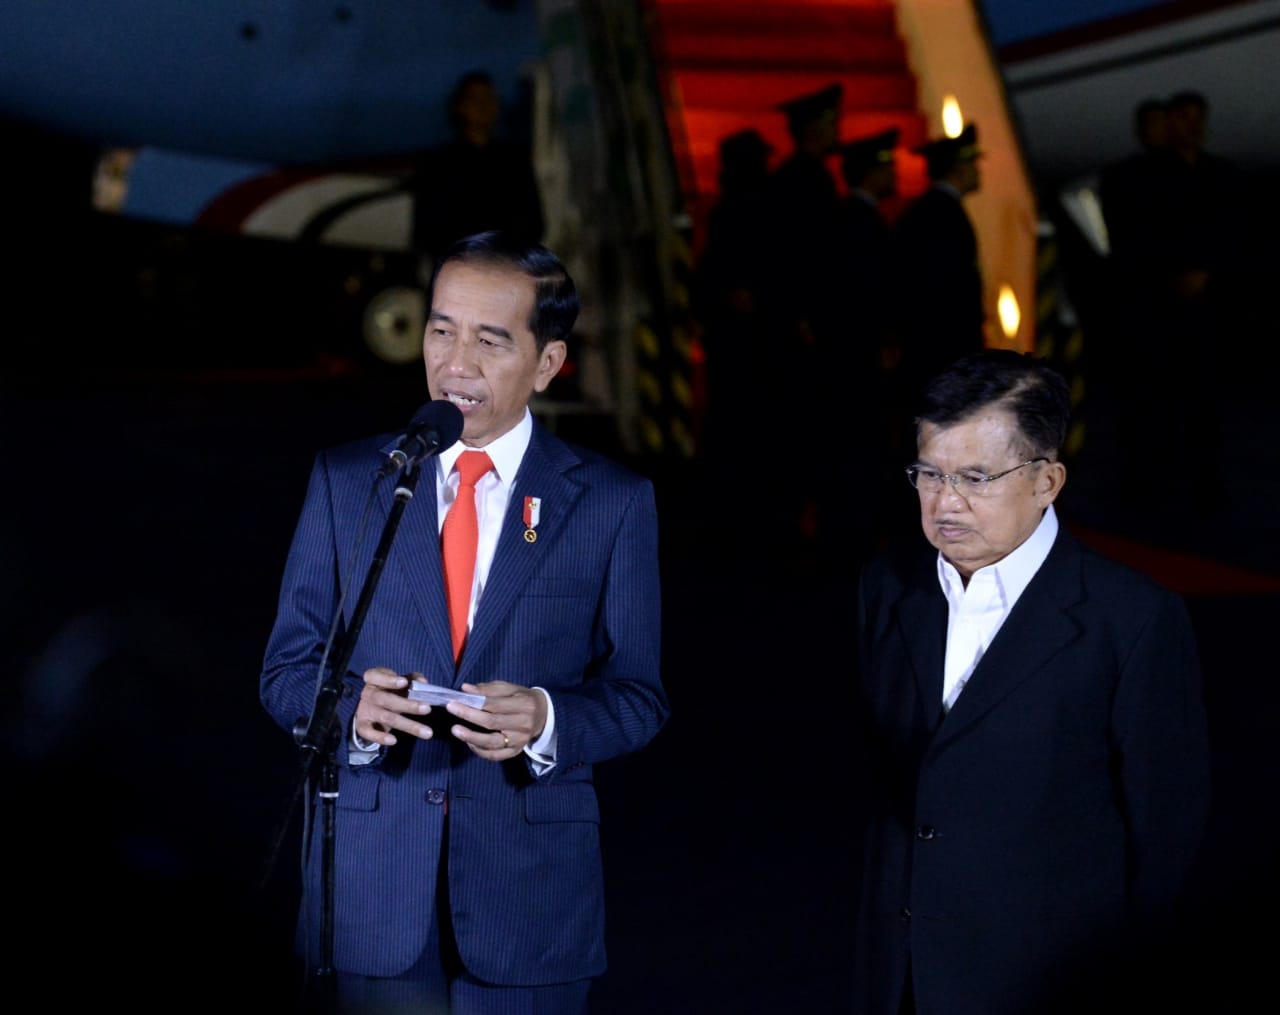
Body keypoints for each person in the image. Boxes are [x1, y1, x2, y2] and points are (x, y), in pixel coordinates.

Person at [259, 231, 669, 1014]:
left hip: (530, 900)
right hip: (370, 893)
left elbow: (640, 695)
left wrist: (549, 718)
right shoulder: (351, 481)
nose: (455, 362)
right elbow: (285, 670)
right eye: (441, 328)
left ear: (548, 363)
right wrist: (352, 709)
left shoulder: (613, 502)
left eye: (490, 339)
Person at [851, 349, 1210, 1014]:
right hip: (901, 976)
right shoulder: (889, 586)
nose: (944, 503)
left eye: (975, 477)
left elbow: (1165, 836)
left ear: (1047, 480)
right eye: (928, 473)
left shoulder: (1130, 619)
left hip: (1046, 980)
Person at [759, 82, 846, 546]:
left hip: (799, 325)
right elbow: (802, 257)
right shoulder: (805, 181)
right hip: (803, 331)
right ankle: (793, 517)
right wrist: (804, 316)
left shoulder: (799, 178)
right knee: (799, 425)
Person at [885, 122, 987, 451]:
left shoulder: (931, 211)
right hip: (939, 349)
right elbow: (943, 291)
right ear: (959, 167)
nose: (978, 171)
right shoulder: (942, 215)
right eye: (972, 163)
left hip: (931, 347)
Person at [407, 70, 545, 279]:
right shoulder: (438, 164)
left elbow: (534, 222)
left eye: (489, 98)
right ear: (459, 107)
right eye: (475, 99)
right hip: (457, 275)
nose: (483, 105)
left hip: (507, 273)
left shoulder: (513, 161)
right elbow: (427, 229)